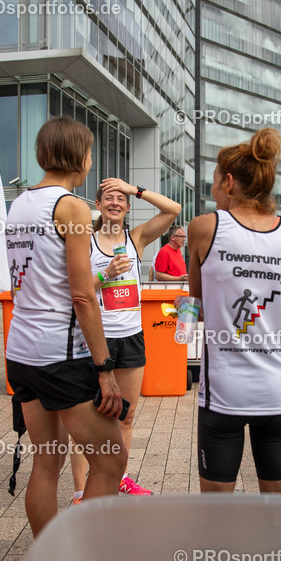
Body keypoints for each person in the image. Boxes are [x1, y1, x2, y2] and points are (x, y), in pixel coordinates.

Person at [5, 116, 126, 539]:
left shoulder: (19, 203)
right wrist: (105, 369)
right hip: (60, 352)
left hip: (21, 349)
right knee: (111, 460)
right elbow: (82, 295)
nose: (91, 160)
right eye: (90, 151)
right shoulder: (70, 205)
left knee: (47, 462)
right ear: (80, 155)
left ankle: (48, 558)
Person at [185, 128, 281, 501]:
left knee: (218, 512)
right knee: (277, 508)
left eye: (215, 183)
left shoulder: (204, 228)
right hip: (277, 389)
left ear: (231, 181)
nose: (213, 191)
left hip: (224, 392)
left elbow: (197, 299)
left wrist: (185, 321)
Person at [68, 177, 180, 503]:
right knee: (86, 420)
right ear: (98, 206)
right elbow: (77, 289)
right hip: (95, 338)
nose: (115, 203)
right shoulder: (85, 241)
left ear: (128, 207)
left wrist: (135, 189)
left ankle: (118, 480)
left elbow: (173, 209)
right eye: (108, 199)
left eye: (121, 199)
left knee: (126, 417)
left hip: (131, 337)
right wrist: (107, 274)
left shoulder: (137, 238)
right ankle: (80, 491)